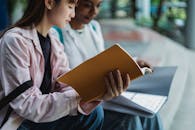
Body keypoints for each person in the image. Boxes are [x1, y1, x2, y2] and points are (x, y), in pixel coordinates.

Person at [0, 0, 131, 130]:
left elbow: (65, 84)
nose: (73, 14)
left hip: (40, 117)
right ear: (50, 2)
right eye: (70, 6)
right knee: (95, 116)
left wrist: (97, 93)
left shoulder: (54, 40)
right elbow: (26, 104)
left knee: (101, 114)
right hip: (18, 121)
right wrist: (79, 99)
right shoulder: (15, 41)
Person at [53, 0, 163, 129]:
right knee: (129, 120)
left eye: (98, 5)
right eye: (87, 5)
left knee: (150, 114)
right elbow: (60, 81)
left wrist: (133, 63)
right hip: (83, 105)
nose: (94, 12)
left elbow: (103, 61)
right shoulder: (56, 33)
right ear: (73, 3)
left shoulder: (94, 27)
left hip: (108, 99)